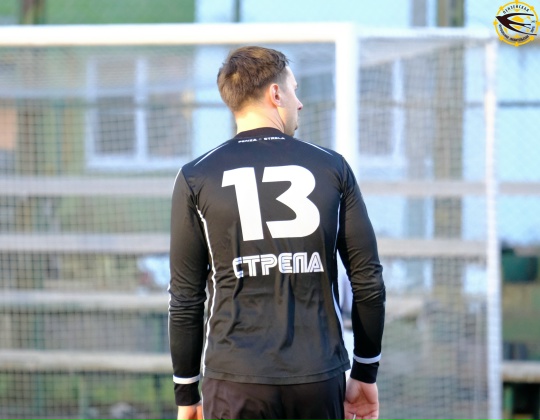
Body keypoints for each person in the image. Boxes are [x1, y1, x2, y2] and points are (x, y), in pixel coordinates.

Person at [168, 46, 385, 420]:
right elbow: (367, 280)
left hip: (234, 380)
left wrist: (186, 392)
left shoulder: (196, 176)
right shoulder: (331, 167)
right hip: (318, 376)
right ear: (275, 94)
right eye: (294, 90)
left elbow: (186, 297)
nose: (299, 103)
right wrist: (365, 370)